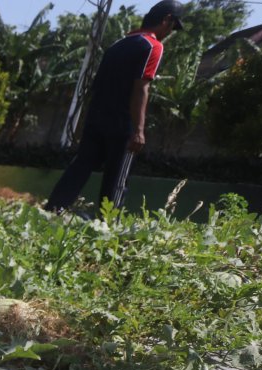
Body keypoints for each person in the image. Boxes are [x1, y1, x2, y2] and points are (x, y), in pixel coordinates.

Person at [44, 0, 184, 213]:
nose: (171, 32)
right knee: (117, 177)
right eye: (173, 26)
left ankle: (53, 209)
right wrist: (138, 131)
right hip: (122, 122)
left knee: (80, 167)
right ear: (167, 20)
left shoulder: (117, 45)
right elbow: (141, 88)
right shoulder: (153, 46)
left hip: (96, 118)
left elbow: (97, 85)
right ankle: (108, 224)